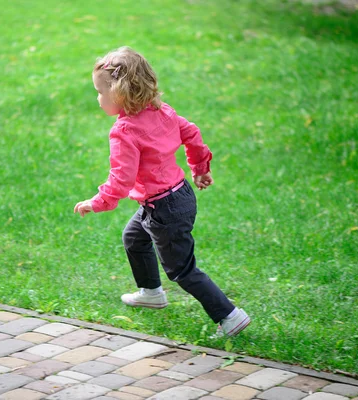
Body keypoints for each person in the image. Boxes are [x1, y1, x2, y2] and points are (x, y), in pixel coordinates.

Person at [74, 46, 250, 337]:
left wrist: (98, 202)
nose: (97, 97)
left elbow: (122, 178)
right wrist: (201, 168)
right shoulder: (162, 111)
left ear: (120, 94)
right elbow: (191, 133)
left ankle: (229, 315)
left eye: (100, 92)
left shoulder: (124, 131)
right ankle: (151, 293)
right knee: (134, 237)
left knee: (182, 270)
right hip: (178, 196)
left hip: (163, 208)